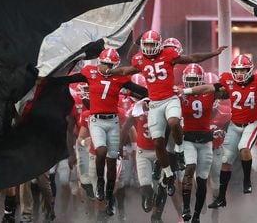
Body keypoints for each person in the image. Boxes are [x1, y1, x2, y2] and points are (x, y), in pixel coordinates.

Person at [98, 30, 227, 197]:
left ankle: (180, 151)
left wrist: (213, 53)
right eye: (147, 44)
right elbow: (125, 70)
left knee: (173, 122)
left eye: (153, 44)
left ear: (160, 45)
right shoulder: (140, 59)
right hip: (154, 103)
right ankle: (168, 173)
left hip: (171, 99)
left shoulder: (168, 54)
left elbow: (192, 58)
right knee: (158, 142)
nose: (150, 48)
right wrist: (109, 72)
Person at [178, 54, 257, 208]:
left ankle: (247, 182)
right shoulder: (226, 81)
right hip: (232, 126)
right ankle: (220, 198)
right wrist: (187, 90)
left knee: (243, 150)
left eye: (243, 70)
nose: (239, 74)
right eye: (237, 70)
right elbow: (209, 88)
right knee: (225, 162)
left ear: (250, 70)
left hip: (250, 124)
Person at [73, 48, 147, 216]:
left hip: (115, 140)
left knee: (113, 181)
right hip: (92, 153)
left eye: (109, 65)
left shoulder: (119, 109)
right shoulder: (87, 113)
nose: (106, 68)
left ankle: (107, 207)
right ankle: (96, 212)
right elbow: (80, 139)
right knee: (91, 184)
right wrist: (85, 144)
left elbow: (130, 128)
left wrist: (132, 150)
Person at [179, 63, 222, 223]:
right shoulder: (180, 93)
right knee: (189, 168)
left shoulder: (209, 93)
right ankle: (185, 208)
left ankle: (196, 215)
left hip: (205, 141)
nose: (191, 83)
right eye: (188, 80)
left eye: (194, 80)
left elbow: (226, 91)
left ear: (201, 81)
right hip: (188, 139)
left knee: (202, 180)